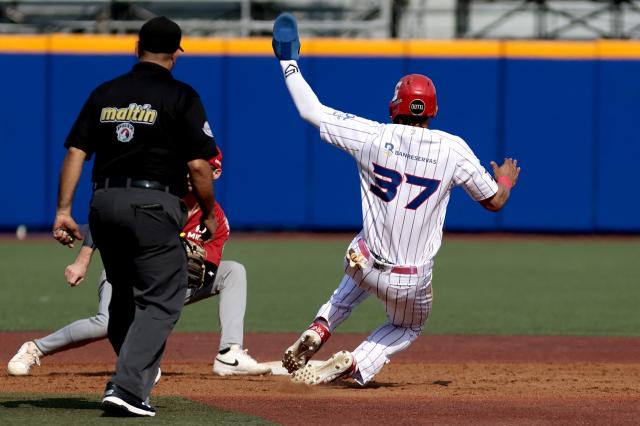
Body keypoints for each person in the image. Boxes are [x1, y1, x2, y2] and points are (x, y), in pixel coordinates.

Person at [271, 13, 521, 386]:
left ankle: (320, 328)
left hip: (365, 259)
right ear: (432, 110)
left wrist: (287, 59)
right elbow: (495, 201)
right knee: (406, 326)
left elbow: (311, 110)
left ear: (395, 105)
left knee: (355, 275)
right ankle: (355, 362)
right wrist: (505, 178)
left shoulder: (373, 136)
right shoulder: (453, 149)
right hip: (410, 279)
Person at [52, 16, 218, 416]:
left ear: (136, 47)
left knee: (124, 295)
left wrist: (63, 211)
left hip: (103, 204)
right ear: (177, 53)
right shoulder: (182, 95)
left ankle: (129, 377)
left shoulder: (105, 92)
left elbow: (76, 152)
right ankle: (127, 388)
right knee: (162, 298)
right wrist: (209, 213)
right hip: (153, 204)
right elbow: (199, 167)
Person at [8, 153, 271, 379]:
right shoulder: (157, 196)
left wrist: (191, 268)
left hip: (169, 284)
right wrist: (80, 241)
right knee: (106, 321)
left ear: (215, 173)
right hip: (125, 274)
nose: (193, 173)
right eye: (191, 166)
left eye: (203, 168)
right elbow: (108, 222)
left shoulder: (216, 220)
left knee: (233, 270)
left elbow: (209, 271)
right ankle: (35, 348)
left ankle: (229, 353)